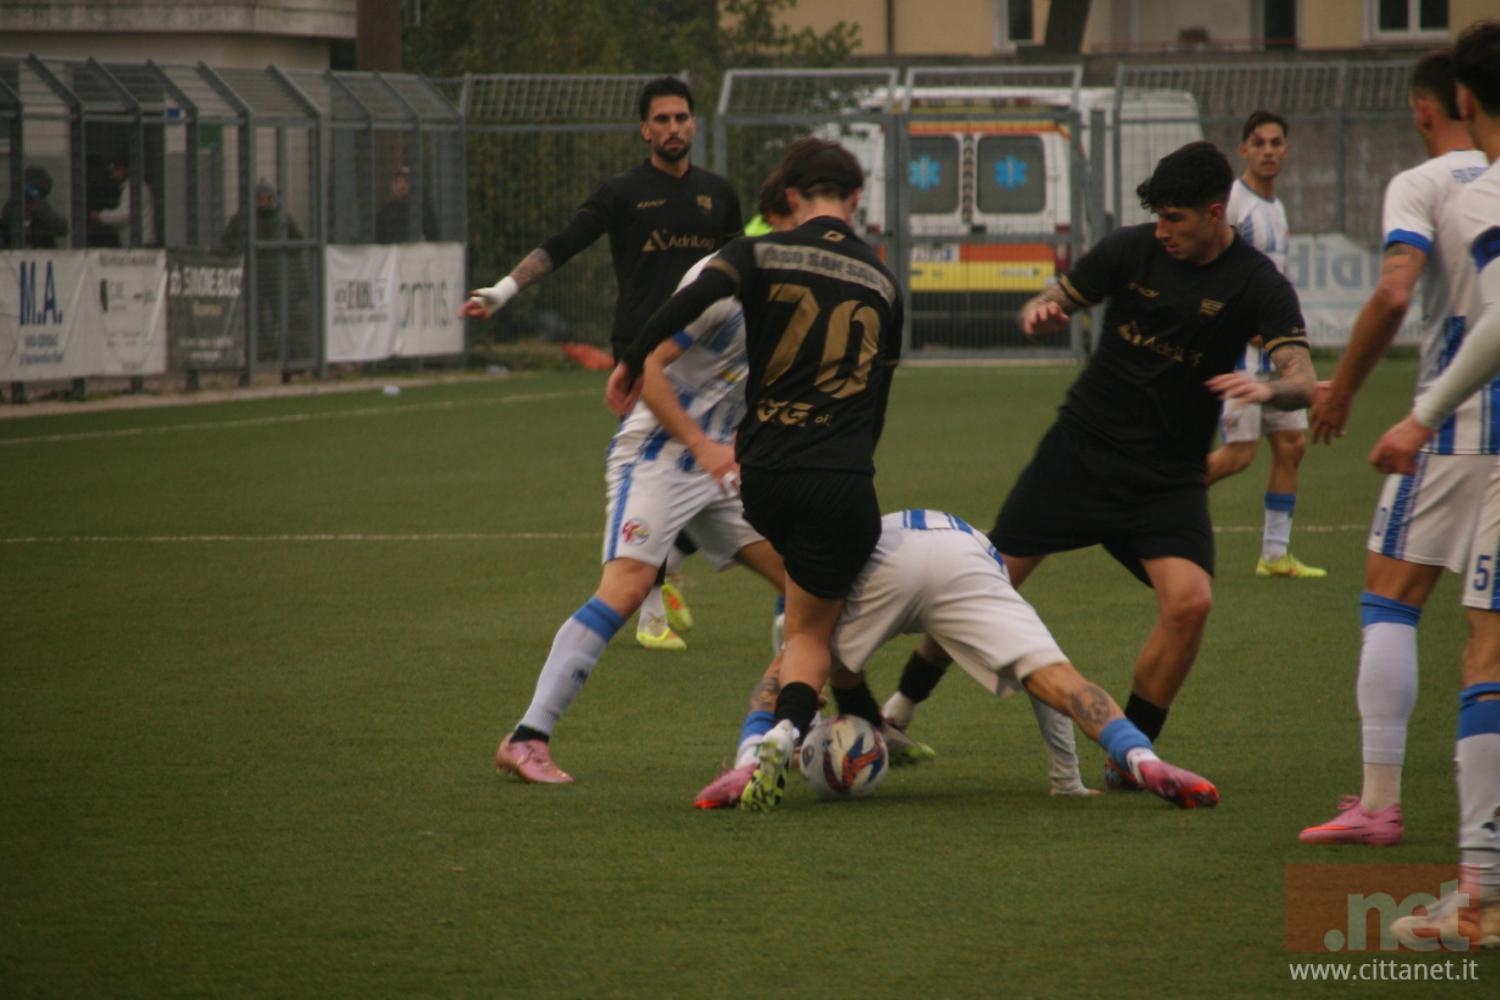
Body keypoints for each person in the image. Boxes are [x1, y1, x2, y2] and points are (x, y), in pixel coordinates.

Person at [882, 142, 1315, 792]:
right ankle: (899, 710)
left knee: (1191, 604)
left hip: (1165, 480)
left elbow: (1302, 380)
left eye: (1175, 218)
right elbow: (1055, 296)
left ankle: (1129, 754)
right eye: (1158, 217)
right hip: (1080, 456)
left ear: (1214, 212)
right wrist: (1042, 311)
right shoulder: (1129, 250)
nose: (1162, 231)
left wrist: (1270, 389)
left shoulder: (1256, 282)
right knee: (983, 583)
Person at [615, 137, 904, 813]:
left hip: (764, 477)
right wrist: (852, 463)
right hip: (839, 477)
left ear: (793, 195)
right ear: (856, 198)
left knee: (801, 624)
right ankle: (788, 731)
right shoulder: (884, 281)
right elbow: (878, 403)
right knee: (813, 633)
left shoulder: (758, 251)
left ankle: (775, 737)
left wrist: (632, 358)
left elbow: (689, 299)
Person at [495, 179, 788, 786]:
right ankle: (526, 739)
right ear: (783, 215)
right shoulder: (722, 284)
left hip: (720, 465)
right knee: (626, 588)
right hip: (659, 453)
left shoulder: (794, 285)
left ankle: (779, 733)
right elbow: (649, 369)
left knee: (805, 581)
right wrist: (702, 444)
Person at [462, 76, 744, 653]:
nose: (672, 128)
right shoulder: (622, 192)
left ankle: (669, 562)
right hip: (645, 355)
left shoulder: (719, 193)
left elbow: (745, 268)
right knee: (654, 472)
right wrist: (505, 289)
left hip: (712, 358)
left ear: (694, 124)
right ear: (644, 130)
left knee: (725, 468)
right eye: (661, 119)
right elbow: (565, 242)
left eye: (681, 118)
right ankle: (650, 615)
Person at [700, 511, 1218, 812]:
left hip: (882, 557)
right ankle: (1143, 759)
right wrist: (1066, 781)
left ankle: (748, 764)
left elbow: (840, 670)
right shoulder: (985, 558)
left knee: (797, 658)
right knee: (1051, 675)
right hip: (967, 560)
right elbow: (1039, 693)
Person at [1299, 52, 1490, 848]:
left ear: (1427, 109)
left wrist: (1342, 388)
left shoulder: (1425, 184)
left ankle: (1379, 804)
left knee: (1390, 599)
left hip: (1458, 421)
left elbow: (1393, 290)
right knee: (1489, 636)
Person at [1366, 21, 1500, 950]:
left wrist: (1423, 413)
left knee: (1487, 654)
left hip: (1470, 439)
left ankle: (1482, 899)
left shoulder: (1484, 193)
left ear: (1461, 101)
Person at [1204, 111, 1325, 579]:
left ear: (1286, 150)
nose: (1269, 151)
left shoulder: (1276, 207)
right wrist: (1244, 325)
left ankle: (1274, 556)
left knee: (1291, 446)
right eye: (1259, 142)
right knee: (1239, 455)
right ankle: (1158, 504)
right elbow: (1218, 272)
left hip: (1277, 355)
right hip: (1243, 357)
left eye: (1276, 143)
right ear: (1244, 149)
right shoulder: (1234, 203)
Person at [90, 156, 155, 247]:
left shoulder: (133, 189)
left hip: (141, 244)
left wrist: (100, 216)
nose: (113, 176)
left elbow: (124, 215)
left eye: (115, 171)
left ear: (124, 170)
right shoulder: (132, 187)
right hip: (137, 243)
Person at [0, 165, 68, 249]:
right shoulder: (10, 210)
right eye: (26, 197)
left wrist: (43, 209)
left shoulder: (42, 221)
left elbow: (62, 229)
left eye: (33, 198)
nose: (28, 202)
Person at [374, 166, 437, 243]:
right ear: (393, 185)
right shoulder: (386, 212)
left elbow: (433, 236)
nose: (402, 185)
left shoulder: (424, 210)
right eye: (399, 181)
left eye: (406, 181)